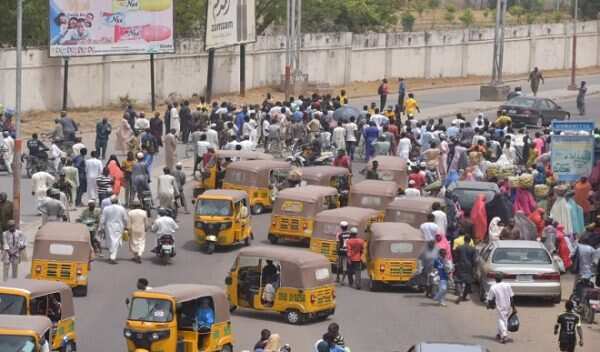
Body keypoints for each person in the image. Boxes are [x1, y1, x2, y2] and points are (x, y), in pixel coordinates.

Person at [486, 272, 517, 344]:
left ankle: (504, 335)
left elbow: (490, 299)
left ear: (495, 279)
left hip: (500, 306)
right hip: (508, 305)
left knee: (501, 320)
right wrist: (514, 307)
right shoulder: (507, 285)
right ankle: (499, 334)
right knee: (504, 319)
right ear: (502, 278)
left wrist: (489, 306)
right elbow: (511, 297)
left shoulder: (493, 287)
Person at [99, 196, 128, 264]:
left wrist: (100, 227)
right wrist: (126, 226)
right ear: (117, 201)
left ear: (111, 201)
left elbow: (102, 219)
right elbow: (125, 219)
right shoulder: (121, 208)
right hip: (119, 226)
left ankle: (112, 256)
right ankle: (112, 257)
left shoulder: (106, 209)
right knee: (115, 241)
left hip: (109, 227)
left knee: (111, 240)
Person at [454, 234, 476, 304]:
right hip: (469, 267)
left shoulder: (459, 247)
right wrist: (474, 267)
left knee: (458, 280)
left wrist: (455, 263)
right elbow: (474, 259)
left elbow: (455, 257)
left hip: (460, 265)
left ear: (464, 240)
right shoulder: (473, 249)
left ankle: (460, 292)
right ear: (470, 241)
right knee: (468, 282)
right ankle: (464, 296)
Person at [127, 199, 148, 264]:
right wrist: (146, 228)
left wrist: (128, 229)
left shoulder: (130, 213)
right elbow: (146, 222)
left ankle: (136, 256)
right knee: (141, 242)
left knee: (133, 242)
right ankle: (139, 254)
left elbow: (129, 223)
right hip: (141, 229)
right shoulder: (144, 212)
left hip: (133, 229)